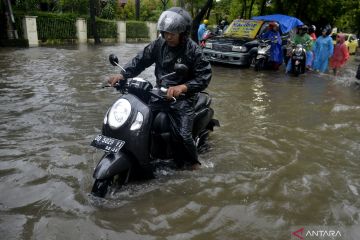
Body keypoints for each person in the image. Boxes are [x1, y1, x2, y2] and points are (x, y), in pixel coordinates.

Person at [108, 7, 212, 170]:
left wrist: (183, 87)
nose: (168, 37)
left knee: (183, 136)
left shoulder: (194, 51)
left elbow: (204, 77)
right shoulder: (159, 44)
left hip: (184, 98)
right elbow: (141, 60)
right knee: (140, 120)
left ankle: (194, 163)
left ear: (183, 33)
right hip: (159, 93)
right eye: (165, 32)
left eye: (172, 33)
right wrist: (123, 75)